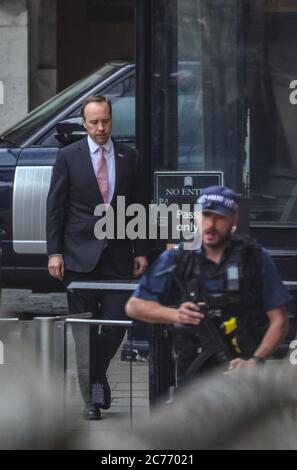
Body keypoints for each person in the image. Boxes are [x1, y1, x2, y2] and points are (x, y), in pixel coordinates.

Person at [46, 95, 148, 420]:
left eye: (105, 120)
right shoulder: (68, 157)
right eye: (94, 122)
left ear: (111, 119)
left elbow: (140, 206)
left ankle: (96, 376)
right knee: (83, 331)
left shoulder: (129, 157)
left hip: (117, 255)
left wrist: (142, 250)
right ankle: (91, 399)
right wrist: (54, 252)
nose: (101, 127)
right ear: (83, 123)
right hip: (77, 256)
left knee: (119, 321)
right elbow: (55, 207)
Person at [126, 185, 290, 381]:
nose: (211, 224)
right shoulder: (179, 257)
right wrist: (176, 315)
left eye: (219, 217)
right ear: (196, 216)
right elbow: (135, 306)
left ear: (234, 218)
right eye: (206, 215)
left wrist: (256, 360)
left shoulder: (255, 258)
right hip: (194, 373)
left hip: (243, 375)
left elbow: (279, 320)